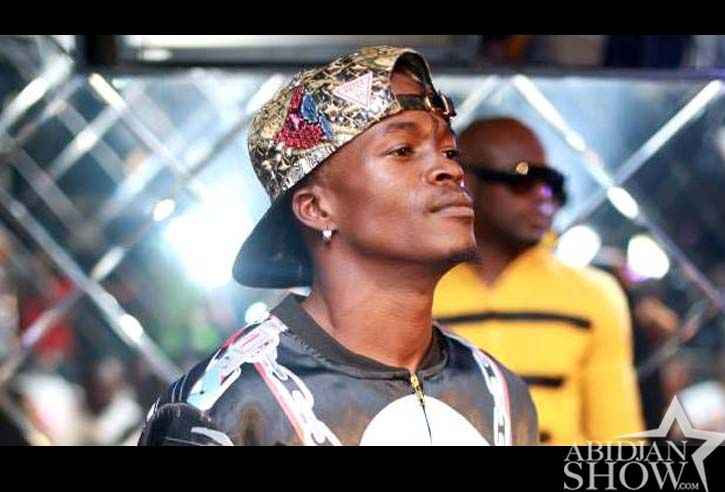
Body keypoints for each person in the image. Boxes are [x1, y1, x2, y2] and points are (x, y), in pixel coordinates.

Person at [139, 46, 536, 446]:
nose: (449, 169)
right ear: (316, 208)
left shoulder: (498, 393)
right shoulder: (223, 412)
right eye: (403, 151)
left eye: (450, 152)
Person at [434, 117, 644, 445]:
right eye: (523, 180)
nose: (543, 196)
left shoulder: (593, 294)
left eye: (552, 184)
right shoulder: (414, 293)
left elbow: (619, 437)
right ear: (466, 182)